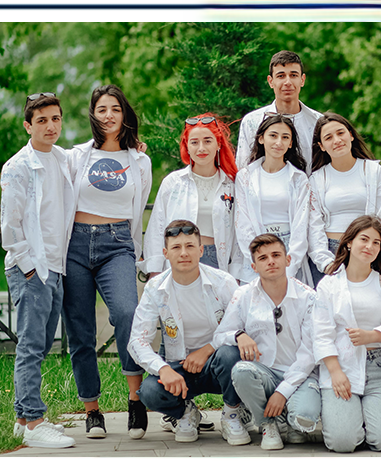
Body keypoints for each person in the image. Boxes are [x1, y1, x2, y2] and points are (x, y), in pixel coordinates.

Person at [63, 84, 153, 439]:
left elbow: (140, 203)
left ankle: (135, 401)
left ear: (124, 114)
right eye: (101, 109)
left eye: (115, 109)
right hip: (76, 244)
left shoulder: (139, 160)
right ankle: (92, 410)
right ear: (93, 114)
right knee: (80, 330)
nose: (108, 115)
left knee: (128, 314)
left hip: (117, 244)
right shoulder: (75, 157)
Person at [0, 92, 76, 449]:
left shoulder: (61, 158)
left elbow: (95, 148)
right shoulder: (18, 166)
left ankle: (20, 419)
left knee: (43, 343)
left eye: (55, 119)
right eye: (42, 120)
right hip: (31, 268)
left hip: (56, 267)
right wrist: (29, 269)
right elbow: (10, 225)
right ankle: (33, 422)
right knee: (31, 346)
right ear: (28, 125)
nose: (50, 126)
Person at [129, 220, 247, 444]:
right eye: (176, 247)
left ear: (201, 250)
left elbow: (241, 328)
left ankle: (232, 414)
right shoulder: (155, 289)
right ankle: (185, 413)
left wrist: (207, 349)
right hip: (180, 368)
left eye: (190, 246)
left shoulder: (223, 282)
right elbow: (137, 341)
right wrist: (162, 368)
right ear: (165, 253)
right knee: (149, 391)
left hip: (217, 364)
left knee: (232, 355)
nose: (184, 253)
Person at [311, 215, 381, 453]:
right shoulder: (329, 285)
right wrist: (335, 372)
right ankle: (353, 418)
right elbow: (321, 334)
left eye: (376, 243)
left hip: (378, 368)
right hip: (341, 366)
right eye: (364, 239)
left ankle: (376, 417)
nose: (370, 247)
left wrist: (374, 335)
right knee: (342, 443)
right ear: (348, 242)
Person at [217, 234, 322, 450]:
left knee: (305, 420)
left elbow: (310, 352)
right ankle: (268, 423)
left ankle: (288, 417)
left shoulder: (308, 297)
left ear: (288, 260)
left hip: (300, 375)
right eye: (263, 258)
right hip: (263, 374)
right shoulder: (244, 295)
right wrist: (239, 335)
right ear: (254, 266)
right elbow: (219, 336)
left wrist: (282, 392)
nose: (271, 261)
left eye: (276, 255)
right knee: (241, 371)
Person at [143, 113, 242, 277]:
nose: (201, 148)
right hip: (179, 260)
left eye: (207, 141)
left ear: (218, 144)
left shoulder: (231, 186)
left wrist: (237, 274)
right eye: (194, 142)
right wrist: (155, 272)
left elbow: (240, 235)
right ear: (186, 146)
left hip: (217, 261)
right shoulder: (173, 183)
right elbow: (157, 228)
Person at [305, 112, 381, 286]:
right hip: (330, 254)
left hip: (366, 252)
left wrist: (374, 252)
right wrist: (327, 263)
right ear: (322, 146)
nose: (336, 140)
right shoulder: (316, 179)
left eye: (340, 133)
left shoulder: (373, 172)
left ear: (351, 135)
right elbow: (314, 226)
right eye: (328, 137)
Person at [234, 114, 313, 284]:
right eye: (273, 136)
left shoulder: (299, 179)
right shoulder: (245, 177)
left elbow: (301, 228)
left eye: (285, 137)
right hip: (255, 260)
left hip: (290, 260)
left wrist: (288, 268)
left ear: (291, 143)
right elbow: (243, 226)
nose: (279, 142)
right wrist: (259, 260)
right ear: (261, 139)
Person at [235, 50, 324, 174]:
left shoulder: (319, 122)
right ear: (271, 81)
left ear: (302, 80)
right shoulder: (252, 121)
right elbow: (243, 169)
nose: (287, 82)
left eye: (293, 75)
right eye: (281, 76)